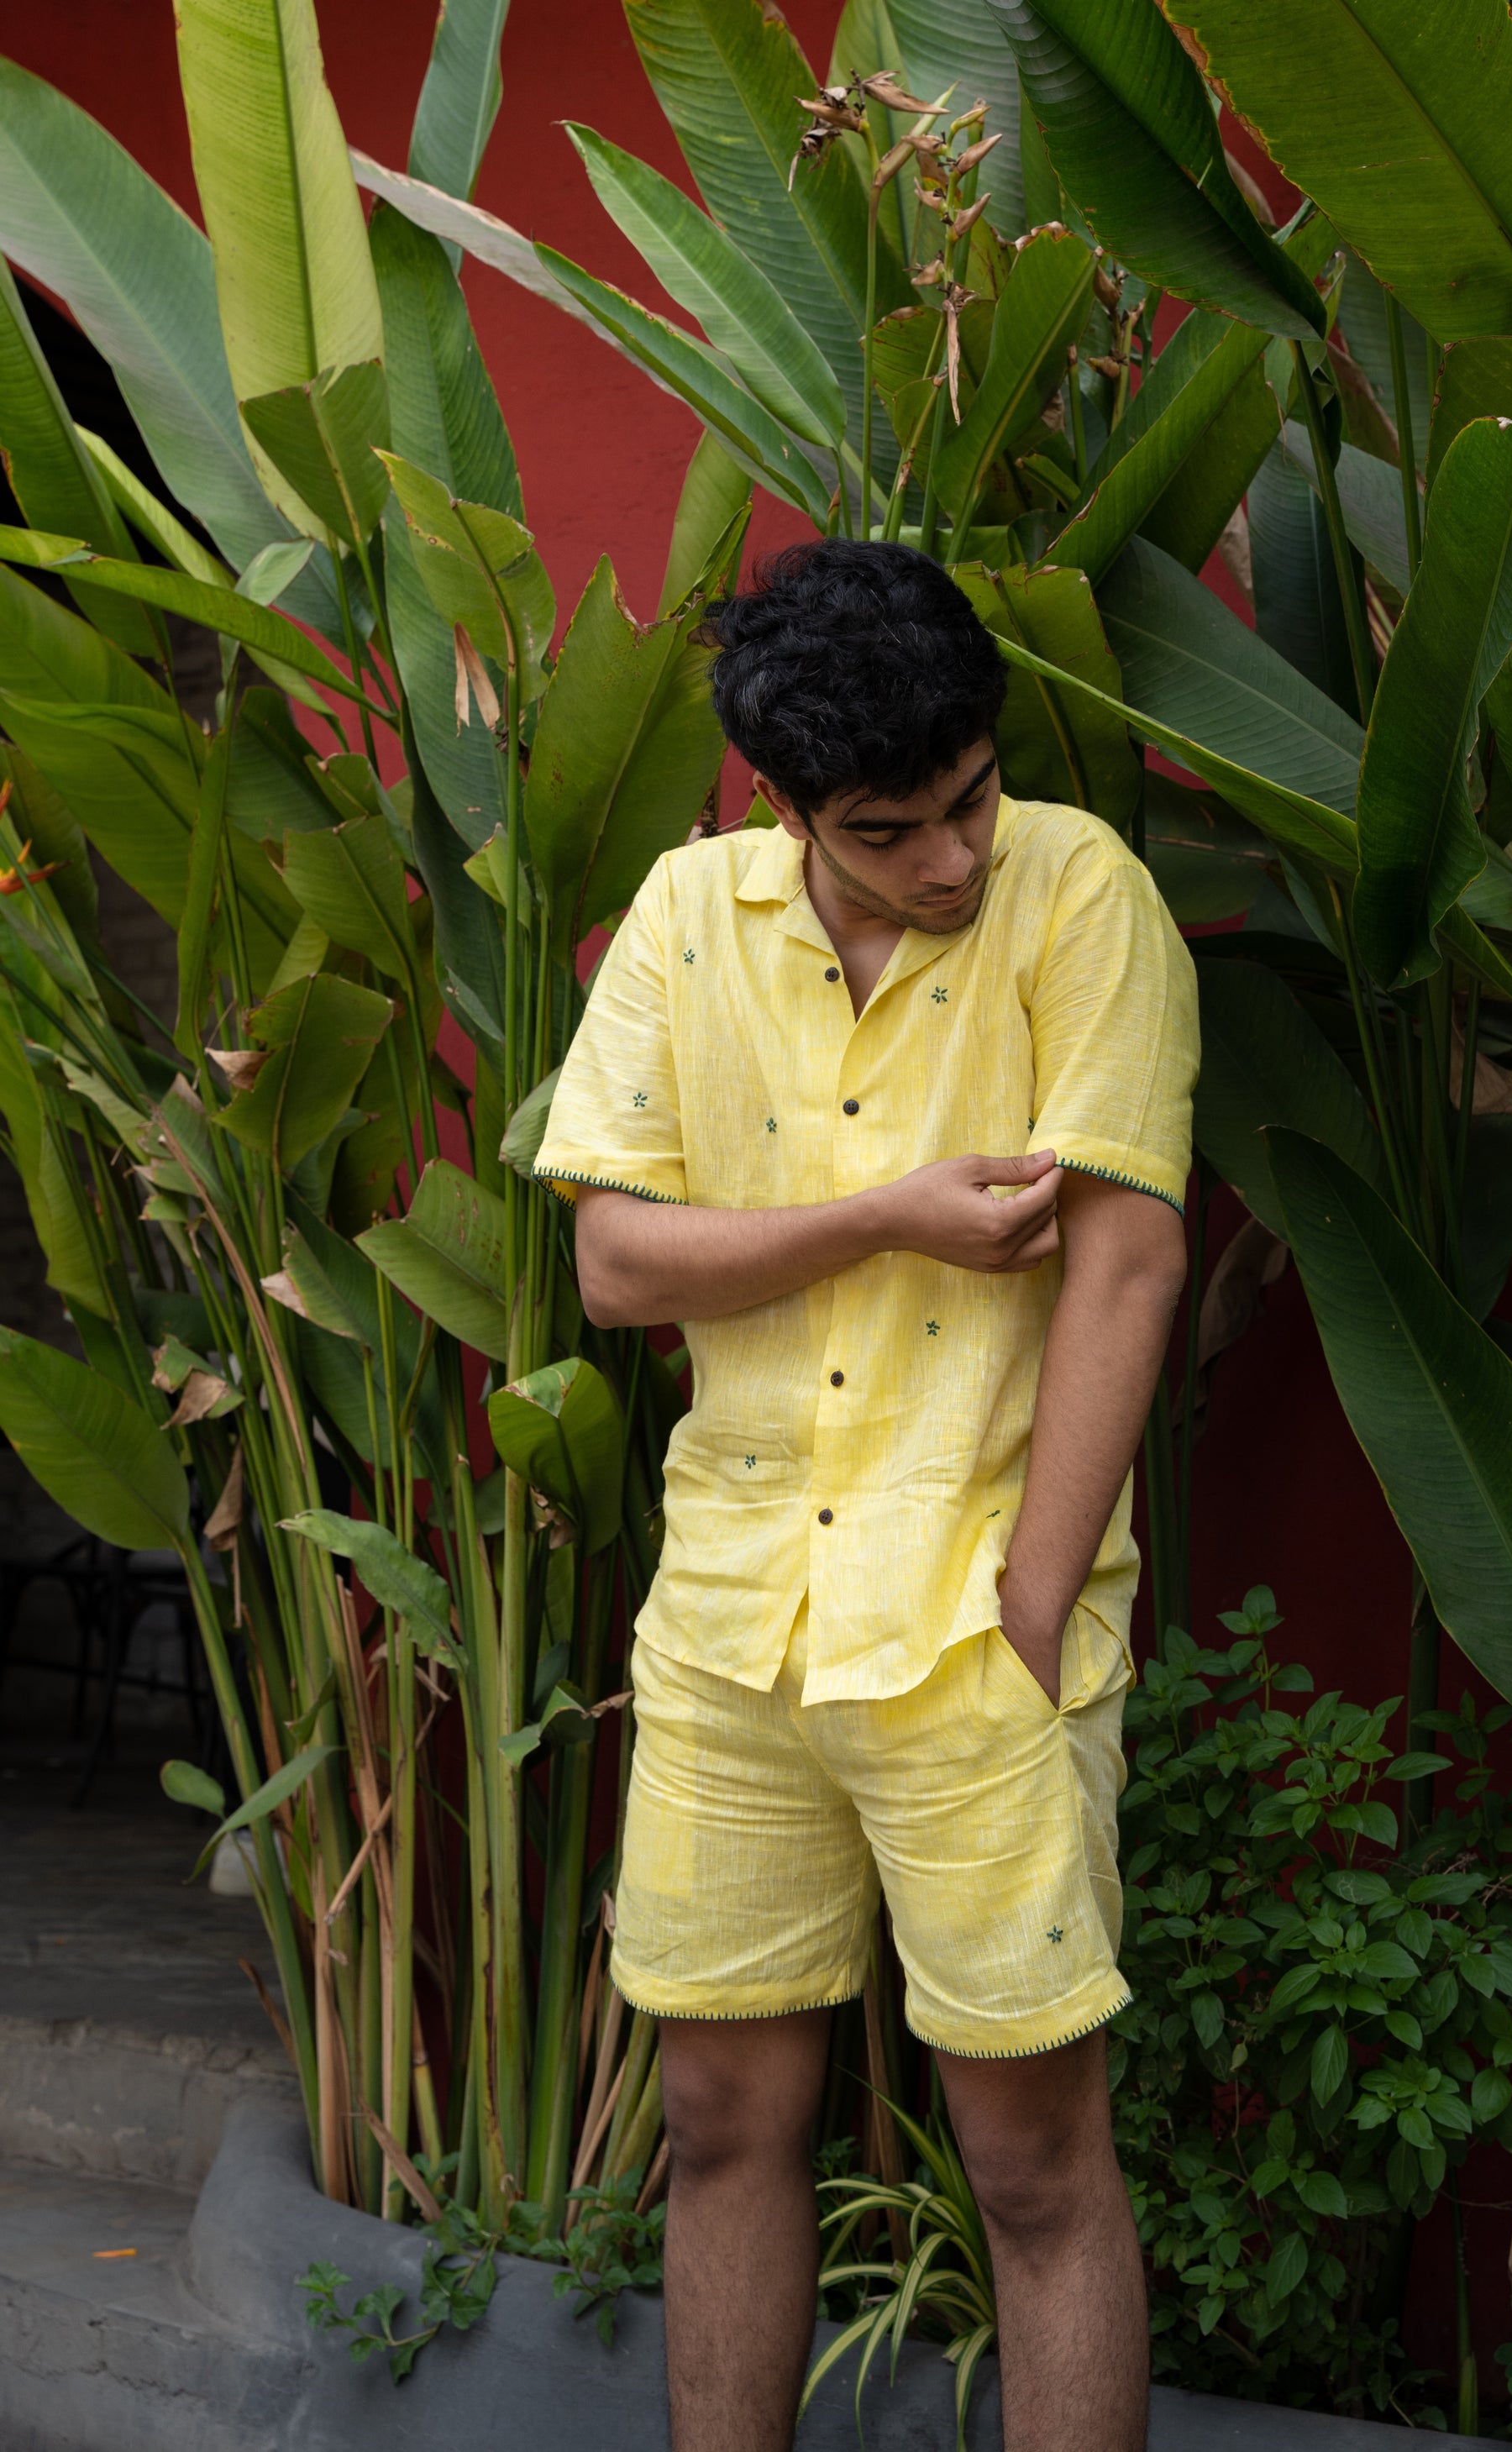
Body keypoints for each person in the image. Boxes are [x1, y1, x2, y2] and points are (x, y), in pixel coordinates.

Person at [535, 538, 1199, 2452]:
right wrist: (889, 1216)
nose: (954, 858)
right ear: (791, 809)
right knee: (722, 2120)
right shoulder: (682, 917)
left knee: (1031, 2163)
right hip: (736, 1615)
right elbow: (615, 1265)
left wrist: (1034, 1593)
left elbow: (1126, 1263)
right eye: (891, 828)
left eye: (971, 796)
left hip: (973, 1609)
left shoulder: (1084, 893)